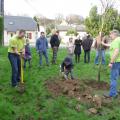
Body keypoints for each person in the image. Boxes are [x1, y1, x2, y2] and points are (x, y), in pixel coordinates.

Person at [102, 30, 120, 98]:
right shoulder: (118, 40)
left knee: (113, 78)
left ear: (114, 34)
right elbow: (111, 45)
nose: (110, 36)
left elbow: (116, 51)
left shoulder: (116, 41)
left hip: (116, 62)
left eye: (111, 34)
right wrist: (103, 43)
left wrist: (111, 62)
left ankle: (113, 94)